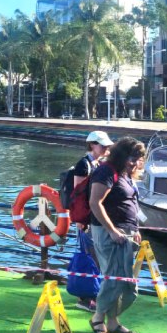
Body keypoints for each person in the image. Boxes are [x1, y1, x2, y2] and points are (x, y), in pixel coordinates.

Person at [88, 137, 146, 333]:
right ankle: (98, 318)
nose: (135, 162)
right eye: (132, 157)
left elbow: (131, 202)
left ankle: (112, 321)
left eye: (138, 158)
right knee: (114, 277)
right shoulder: (106, 171)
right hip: (110, 233)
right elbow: (95, 203)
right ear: (122, 154)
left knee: (124, 281)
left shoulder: (126, 174)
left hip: (126, 233)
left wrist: (135, 228)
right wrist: (112, 230)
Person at [70, 130, 114, 312]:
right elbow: (79, 194)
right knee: (88, 256)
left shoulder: (96, 164)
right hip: (86, 219)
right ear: (92, 145)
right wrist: (81, 219)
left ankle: (93, 293)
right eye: (102, 145)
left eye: (106, 146)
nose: (105, 148)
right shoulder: (84, 164)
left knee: (94, 256)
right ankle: (86, 297)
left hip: (92, 218)